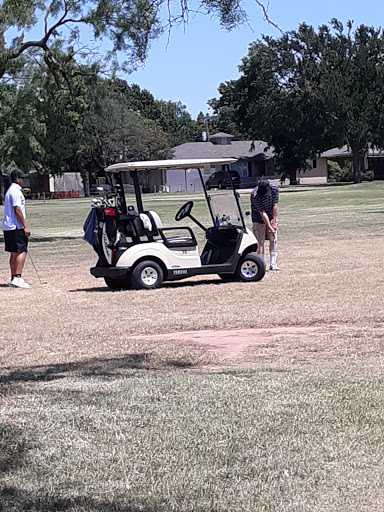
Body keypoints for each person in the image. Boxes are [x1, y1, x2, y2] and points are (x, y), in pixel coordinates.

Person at [2, 169, 31, 288]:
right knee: (22, 250)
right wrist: (25, 226)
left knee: (14, 252)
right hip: (16, 226)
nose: (24, 180)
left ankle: (13, 278)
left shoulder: (10, 190)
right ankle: (18, 277)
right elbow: (17, 209)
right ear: (17, 179)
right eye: (23, 178)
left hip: (8, 226)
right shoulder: (16, 191)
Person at [250, 179, 279, 272]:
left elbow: (275, 205)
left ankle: (273, 263)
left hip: (271, 216)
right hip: (258, 219)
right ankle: (260, 265)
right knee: (260, 242)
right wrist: (270, 227)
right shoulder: (255, 195)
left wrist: (274, 222)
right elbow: (262, 214)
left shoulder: (274, 189)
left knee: (273, 240)